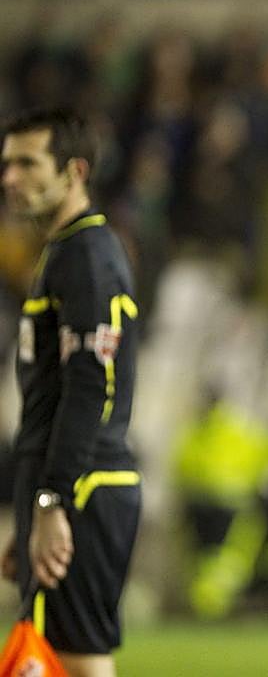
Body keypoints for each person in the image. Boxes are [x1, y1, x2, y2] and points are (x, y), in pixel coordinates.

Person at [0, 106, 142, 677]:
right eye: (7, 165)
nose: (10, 178)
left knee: (79, 663)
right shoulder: (66, 252)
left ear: (74, 171)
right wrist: (34, 506)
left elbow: (89, 386)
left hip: (83, 487)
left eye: (28, 164)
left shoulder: (87, 257)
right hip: (64, 487)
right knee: (54, 659)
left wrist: (52, 500)